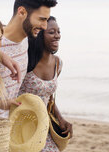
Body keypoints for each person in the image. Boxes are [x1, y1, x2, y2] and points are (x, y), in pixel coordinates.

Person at [19, 16, 73, 151]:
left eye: (58, 32)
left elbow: (49, 98)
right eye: (51, 32)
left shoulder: (58, 64)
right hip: (22, 125)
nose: (57, 36)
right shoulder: (26, 61)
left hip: (44, 126)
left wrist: (61, 119)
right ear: (39, 35)